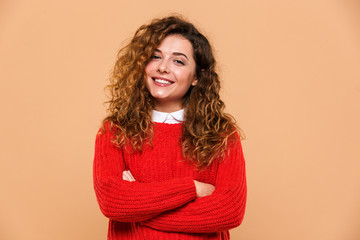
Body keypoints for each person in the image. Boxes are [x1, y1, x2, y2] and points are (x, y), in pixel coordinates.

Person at [93, 15, 247, 240]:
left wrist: (139, 206)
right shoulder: (116, 130)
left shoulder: (221, 133)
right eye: (155, 56)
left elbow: (228, 212)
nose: (163, 67)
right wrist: (193, 189)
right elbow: (113, 202)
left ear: (197, 76)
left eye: (179, 61)